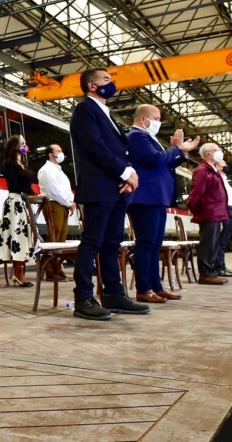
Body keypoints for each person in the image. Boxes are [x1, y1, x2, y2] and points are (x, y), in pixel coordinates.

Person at [69, 68, 150, 320]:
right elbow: (95, 146)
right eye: (106, 79)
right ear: (92, 86)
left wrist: (129, 174)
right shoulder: (85, 110)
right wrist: (124, 173)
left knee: (112, 242)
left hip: (114, 187)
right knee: (92, 241)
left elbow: (121, 151)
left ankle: (114, 294)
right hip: (99, 186)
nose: (111, 83)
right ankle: (83, 297)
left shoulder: (108, 114)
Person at [126, 104, 198, 303]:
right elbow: (156, 160)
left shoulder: (150, 139)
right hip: (144, 198)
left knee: (154, 243)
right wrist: (175, 148)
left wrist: (181, 153)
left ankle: (156, 286)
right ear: (143, 119)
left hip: (156, 198)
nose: (159, 122)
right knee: (146, 243)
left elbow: (165, 162)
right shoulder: (137, 136)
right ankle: (144, 288)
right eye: (156, 117)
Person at [0, 135, 37, 287]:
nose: (25, 146)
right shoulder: (9, 164)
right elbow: (14, 184)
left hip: (24, 203)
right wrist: (29, 192)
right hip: (15, 203)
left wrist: (32, 193)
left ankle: (20, 274)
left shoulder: (23, 164)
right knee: (17, 237)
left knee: (25, 237)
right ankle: (18, 274)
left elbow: (29, 181)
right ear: (14, 146)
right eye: (22, 144)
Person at [187, 144, 230, 285]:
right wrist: (193, 208)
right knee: (208, 244)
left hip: (216, 213)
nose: (220, 153)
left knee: (213, 244)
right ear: (207, 154)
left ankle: (211, 272)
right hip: (209, 212)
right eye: (216, 150)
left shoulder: (212, 170)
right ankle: (205, 274)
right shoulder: (202, 170)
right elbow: (197, 192)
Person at [37, 143, 75, 280]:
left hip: (63, 205)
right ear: (51, 155)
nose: (61, 153)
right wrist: (68, 203)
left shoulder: (59, 170)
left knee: (61, 239)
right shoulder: (46, 170)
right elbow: (54, 191)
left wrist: (70, 201)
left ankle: (57, 268)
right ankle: (50, 270)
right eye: (58, 151)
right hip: (53, 204)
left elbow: (66, 188)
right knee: (54, 237)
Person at [214, 161, 232, 277]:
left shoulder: (225, 179)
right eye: (223, 164)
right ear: (218, 167)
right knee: (220, 242)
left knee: (224, 241)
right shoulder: (218, 178)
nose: (226, 166)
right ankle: (218, 267)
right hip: (224, 210)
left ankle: (222, 266)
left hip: (229, 210)